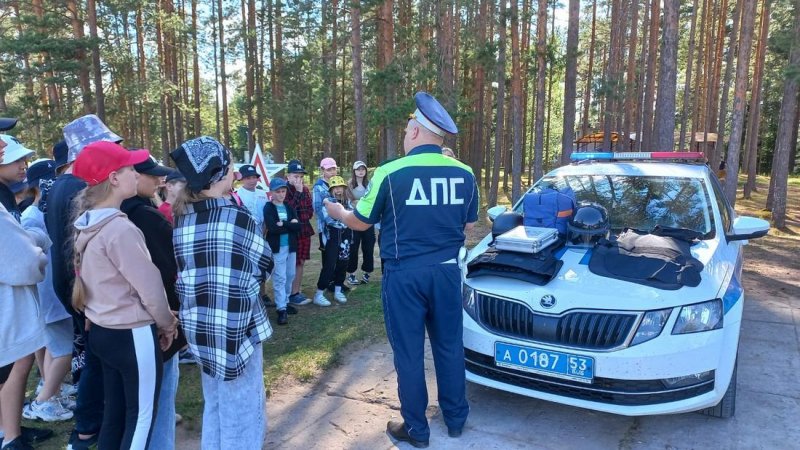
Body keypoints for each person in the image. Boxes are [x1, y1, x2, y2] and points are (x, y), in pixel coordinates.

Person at [324, 92, 479, 448]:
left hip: (405, 275)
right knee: (450, 345)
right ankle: (456, 418)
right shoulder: (465, 172)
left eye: (408, 127)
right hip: (445, 273)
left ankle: (417, 429)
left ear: (414, 132)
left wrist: (337, 213)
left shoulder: (391, 172)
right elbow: (468, 226)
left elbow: (360, 222)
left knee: (409, 351)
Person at [70, 141, 177, 450]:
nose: (137, 173)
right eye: (131, 168)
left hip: (103, 332)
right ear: (114, 178)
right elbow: (151, 287)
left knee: (115, 417)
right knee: (141, 418)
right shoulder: (120, 229)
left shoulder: (88, 223)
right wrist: (168, 323)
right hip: (131, 334)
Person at [170, 136, 273, 450]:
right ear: (218, 176)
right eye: (229, 167)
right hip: (238, 329)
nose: (235, 173)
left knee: (214, 404)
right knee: (242, 411)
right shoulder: (236, 216)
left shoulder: (182, 219)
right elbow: (264, 262)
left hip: (202, 329)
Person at [46, 114, 124, 450]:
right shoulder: (80, 185)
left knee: (91, 353)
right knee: (95, 357)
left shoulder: (58, 185)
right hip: (83, 285)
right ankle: (89, 425)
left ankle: (90, 423)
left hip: (69, 284)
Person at [120, 156, 188, 450]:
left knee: (137, 405)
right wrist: (171, 320)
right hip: (155, 321)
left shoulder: (113, 212)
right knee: (158, 402)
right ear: (133, 176)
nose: (159, 180)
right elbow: (167, 269)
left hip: (122, 322)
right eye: (153, 175)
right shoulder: (145, 216)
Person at [0, 128, 52, 450]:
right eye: (16, 159)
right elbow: (23, 261)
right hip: (7, 299)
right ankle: (12, 438)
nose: (24, 166)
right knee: (15, 364)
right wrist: (38, 249)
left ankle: (8, 430)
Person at [20, 159, 76, 423]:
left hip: (47, 291)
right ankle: (43, 401)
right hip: (49, 291)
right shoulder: (33, 216)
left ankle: (48, 390)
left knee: (52, 346)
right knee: (64, 349)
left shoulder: (38, 212)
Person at [263, 178, 300, 325]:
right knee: (280, 277)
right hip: (277, 248)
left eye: (283, 191)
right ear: (272, 192)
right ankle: (281, 308)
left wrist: (284, 224)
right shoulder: (269, 208)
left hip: (290, 246)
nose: (281, 194)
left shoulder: (289, 207)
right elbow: (273, 228)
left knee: (290, 274)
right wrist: (290, 224)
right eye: (278, 192)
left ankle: (284, 301)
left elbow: (298, 227)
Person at [314, 176, 352, 306]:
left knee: (343, 263)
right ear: (330, 190)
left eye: (340, 187)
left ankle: (338, 290)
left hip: (345, 238)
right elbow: (328, 219)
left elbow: (353, 215)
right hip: (332, 238)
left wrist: (347, 220)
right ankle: (319, 293)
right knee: (329, 265)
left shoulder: (347, 203)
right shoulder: (328, 203)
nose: (338, 190)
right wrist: (345, 221)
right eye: (335, 188)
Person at [284, 160, 314, 306]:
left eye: (301, 177)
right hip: (289, 233)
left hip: (304, 230)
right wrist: (298, 193)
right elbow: (288, 211)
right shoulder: (284, 190)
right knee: (288, 262)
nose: (299, 180)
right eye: (296, 176)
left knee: (300, 262)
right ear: (288, 176)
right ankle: (286, 293)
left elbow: (309, 211)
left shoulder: (306, 190)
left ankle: (295, 292)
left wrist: (301, 192)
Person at [346, 161, 376, 286]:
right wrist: (361, 203)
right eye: (358, 169)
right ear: (354, 171)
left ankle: (367, 272)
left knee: (368, 247)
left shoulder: (370, 184)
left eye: (363, 169)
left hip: (368, 221)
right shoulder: (349, 185)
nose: (361, 171)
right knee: (353, 248)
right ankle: (351, 273)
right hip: (353, 220)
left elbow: (373, 200)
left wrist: (359, 203)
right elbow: (349, 202)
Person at [235, 164, 268, 229]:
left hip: (262, 230)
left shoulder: (263, 194)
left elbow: (266, 213)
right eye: (248, 178)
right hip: (245, 230)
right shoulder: (237, 195)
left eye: (254, 177)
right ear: (241, 179)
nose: (252, 181)